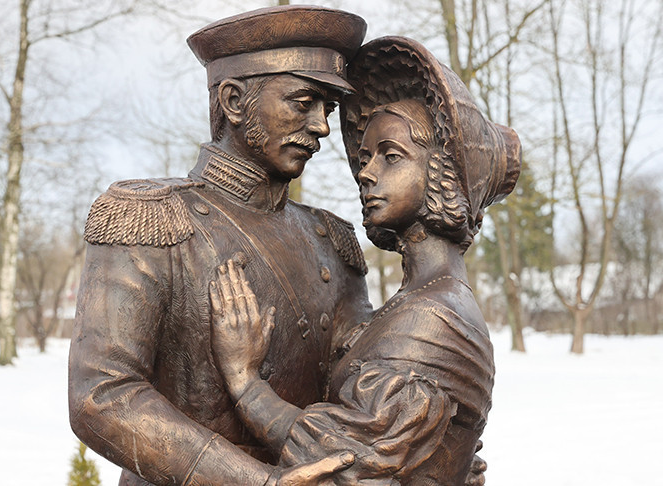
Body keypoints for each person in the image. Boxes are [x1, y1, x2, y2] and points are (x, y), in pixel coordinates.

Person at [68, 6, 374, 485]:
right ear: (233, 101)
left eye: (328, 109)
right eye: (303, 102)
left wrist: (423, 450)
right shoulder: (149, 217)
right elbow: (101, 396)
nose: (321, 127)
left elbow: (363, 388)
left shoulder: (331, 240)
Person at [208, 37, 521, 485]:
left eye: (391, 157)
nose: (368, 173)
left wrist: (244, 382)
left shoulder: (436, 319)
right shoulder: (413, 302)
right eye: (365, 158)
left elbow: (345, 462)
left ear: (443, 174)